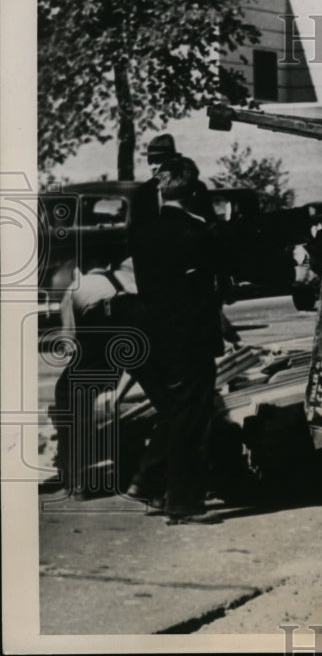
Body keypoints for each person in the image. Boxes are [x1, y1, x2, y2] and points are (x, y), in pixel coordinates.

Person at [129, 156, 227, 525]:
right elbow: (220, 274)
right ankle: (182, 501)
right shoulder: (198, 232)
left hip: (155, 331)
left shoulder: (142, 231)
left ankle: (148, 483)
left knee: (173, 410)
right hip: (192, 335)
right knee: (191, 414)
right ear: (193, 190)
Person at [49, 259, 141, 497]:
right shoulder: (120, 276)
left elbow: (69, 340)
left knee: (68, 392)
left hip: (102, 328)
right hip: (130, 329)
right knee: (113, 398)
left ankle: (73, 475)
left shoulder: (74, 288)